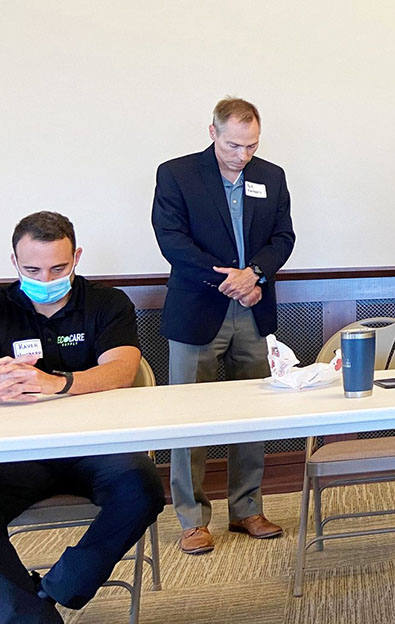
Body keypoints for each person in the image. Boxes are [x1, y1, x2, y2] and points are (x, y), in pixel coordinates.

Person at [0, 211, 165, 624]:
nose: (46, 276)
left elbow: (123, 369)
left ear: (76, 257)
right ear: (14, 262)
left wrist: (56, 383)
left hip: (96, 448)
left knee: (143, 486)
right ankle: (31, 615)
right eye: (33, 268)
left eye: (58, 267)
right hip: (19, 455)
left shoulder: (107, 303)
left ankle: (61, 586)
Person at [152, 97, 295, 554]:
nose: (243, 155)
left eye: (251, 145)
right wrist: (230, 281)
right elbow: (172, 240)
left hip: (253, 307)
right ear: (212, 132)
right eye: (234, 145)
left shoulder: (271, 176)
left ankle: (247, 508)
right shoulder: (176, 174)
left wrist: (255, 274)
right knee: (190, 417)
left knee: (251, 414)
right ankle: (192, 518)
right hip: (199, 309)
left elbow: (283, 237)